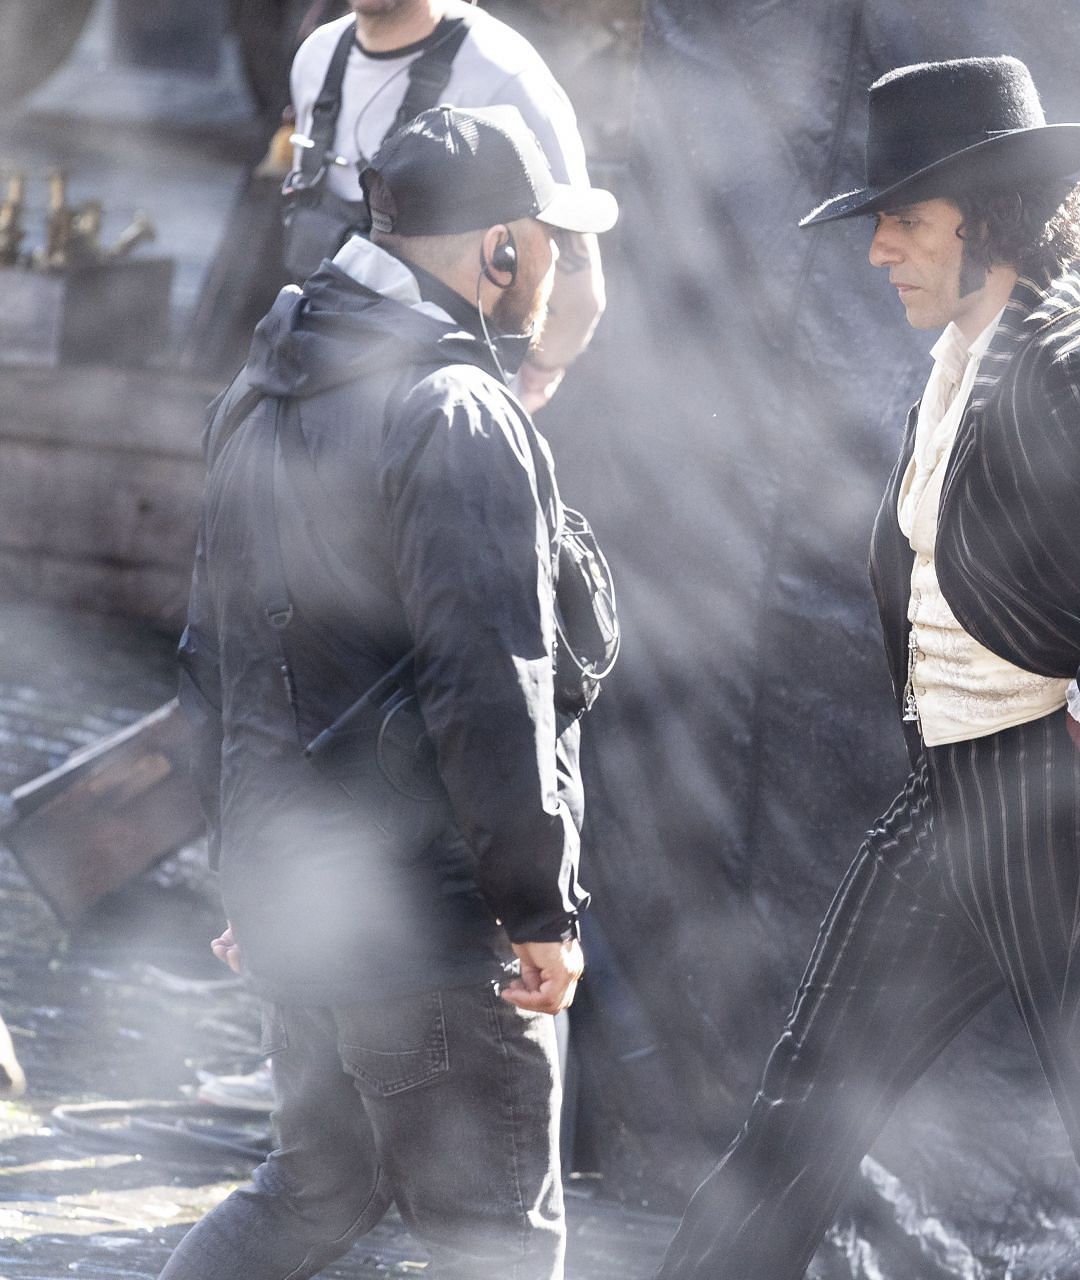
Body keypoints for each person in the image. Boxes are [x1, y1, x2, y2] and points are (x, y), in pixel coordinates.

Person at [655, 56, 1080, 1280]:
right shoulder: (967, 353)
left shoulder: (1065, 358)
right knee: (811, 1102)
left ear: (986, 214)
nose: (879, 246)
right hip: (964, 790)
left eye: (902, 217)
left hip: (1071, 805)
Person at [162, 104, 618, 1280]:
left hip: (302, 911)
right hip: (431, 925)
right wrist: (539, 908)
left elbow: (212, 664)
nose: (560, 268)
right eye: (551, 241)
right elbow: (492, 684)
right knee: (499, 1244)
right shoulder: (459, 412)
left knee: (312, 1192)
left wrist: (247, 866)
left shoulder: (258, 395)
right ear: (497, 250)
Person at [284, 0, 606, 411]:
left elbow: (578, 285)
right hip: (316, 389)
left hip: (441, 414)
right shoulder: (316, 57)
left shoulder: (505, 79)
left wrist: (533, 378)